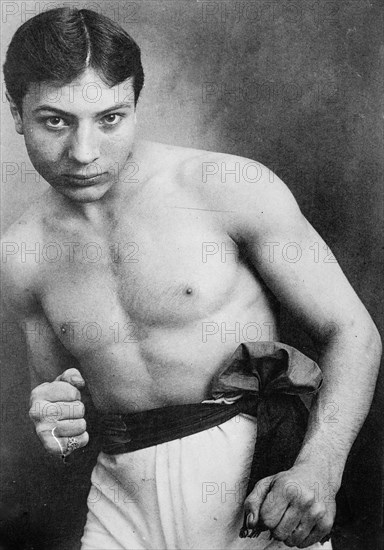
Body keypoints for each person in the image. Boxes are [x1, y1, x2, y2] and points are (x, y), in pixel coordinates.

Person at [1, 7, 381, 550]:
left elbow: (354, 331)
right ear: (16, 113)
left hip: (259, 493)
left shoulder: (228, 188)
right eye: (55, 121)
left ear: (136, 104)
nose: (84, 153)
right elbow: (66, 412)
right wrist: (54, 424)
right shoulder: (20, 253)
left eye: (110, 118)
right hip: (120, 505)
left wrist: (320, 469)